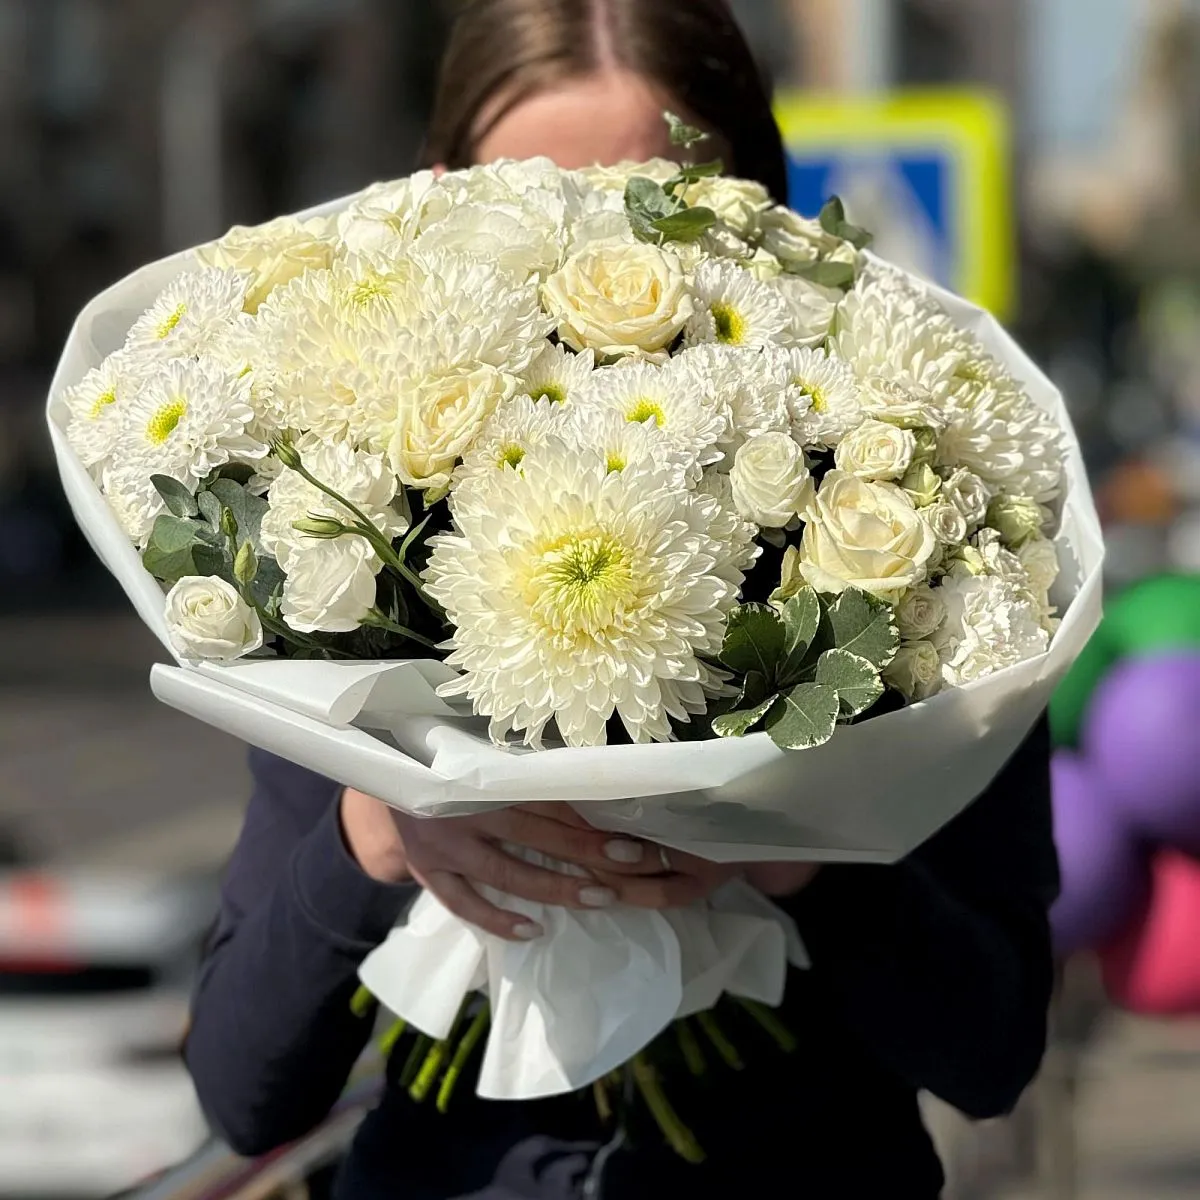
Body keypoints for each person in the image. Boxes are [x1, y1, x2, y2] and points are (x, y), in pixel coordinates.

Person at [184, 2, 1060, 1197]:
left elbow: (994, 1049)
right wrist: (382, 833)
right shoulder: (352, 535)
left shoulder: (910, 537)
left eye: (658, 202)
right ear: (442, 199)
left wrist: (797, 845)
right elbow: (243, 1090)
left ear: (766, 216)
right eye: (541, 198)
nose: (606, 262)